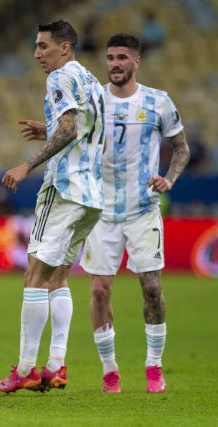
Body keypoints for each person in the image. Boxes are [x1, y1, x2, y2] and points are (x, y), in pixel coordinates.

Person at [0, 20, 105, 394]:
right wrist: (49, 128)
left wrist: (27, 164)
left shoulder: (59, 78)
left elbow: (70, 129)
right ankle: (56, 367)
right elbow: (86, 128)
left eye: (43, 46)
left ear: (65, 47)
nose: (37, 54)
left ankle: (26, 369)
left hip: (64, 188)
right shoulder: (90, 79)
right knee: (58, 278)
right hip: (92, 194)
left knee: (35, 276)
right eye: (36, 46)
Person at [80, 33, 189, 394]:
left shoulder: (158, 102)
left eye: (122, 57)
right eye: (110, 57)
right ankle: (110, 371)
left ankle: (154, 367)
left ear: (136, 62)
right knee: (98, 291)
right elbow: (72, 135)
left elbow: (181, 148)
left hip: (143, 210)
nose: (114, 63)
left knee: (153, 289)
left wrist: (169, 178)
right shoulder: (94, 99)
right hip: (102, 212)